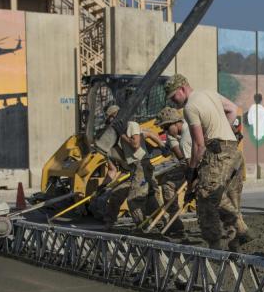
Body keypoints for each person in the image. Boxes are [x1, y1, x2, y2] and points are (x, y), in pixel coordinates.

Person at [166, 74, 249, 251]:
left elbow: (199, 144)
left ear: (182, 88)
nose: (174, 102)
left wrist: (192, 170)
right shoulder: (209, 93)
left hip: (217, 152)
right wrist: (224, 130)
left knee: (205, 194)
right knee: (219, 193)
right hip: (232, 148)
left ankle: (217, 244)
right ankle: (236, 238)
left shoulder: (190, 107)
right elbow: (233, 109)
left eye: (174, 97)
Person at [103, 104, 155, 230]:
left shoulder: (132, 125)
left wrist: (162, 146)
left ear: (116, 116)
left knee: (134, 199)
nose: (110, 123)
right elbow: (113, 170)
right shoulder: (114, 140)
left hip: (142, 165)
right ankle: (109, 223)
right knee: (115, 195)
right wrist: (103, 186)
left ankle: (143, 228)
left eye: (111, 119)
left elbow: (136, 144)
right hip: (131, 169)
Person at [154, 106, 192, 240]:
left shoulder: (189, 132)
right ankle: (175, 225)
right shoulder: (173, 135)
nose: (166, 132)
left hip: (202, 164)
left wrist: (192, 181)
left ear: (175, 122)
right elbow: (182, 158)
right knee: (168, 184)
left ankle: (235, 228)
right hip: (188, 162)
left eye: (166, 128)